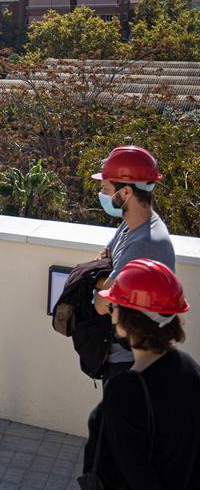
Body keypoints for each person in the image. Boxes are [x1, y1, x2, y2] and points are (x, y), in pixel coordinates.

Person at [79, 259, 199, 490]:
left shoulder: (125, 390)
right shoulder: (191, 370)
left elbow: (135, 472)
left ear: (131, 317)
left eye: (114, 306)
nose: (111, 314)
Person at [90, 146, 176, 384]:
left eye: (105, 189)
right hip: (123, 353)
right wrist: (105, 283)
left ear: (126, 191)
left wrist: (101, 286)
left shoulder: (146, 243)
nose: (101, 194)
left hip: (133, 361)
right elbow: (103, 258)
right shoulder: (130, 225)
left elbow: (100, 304)